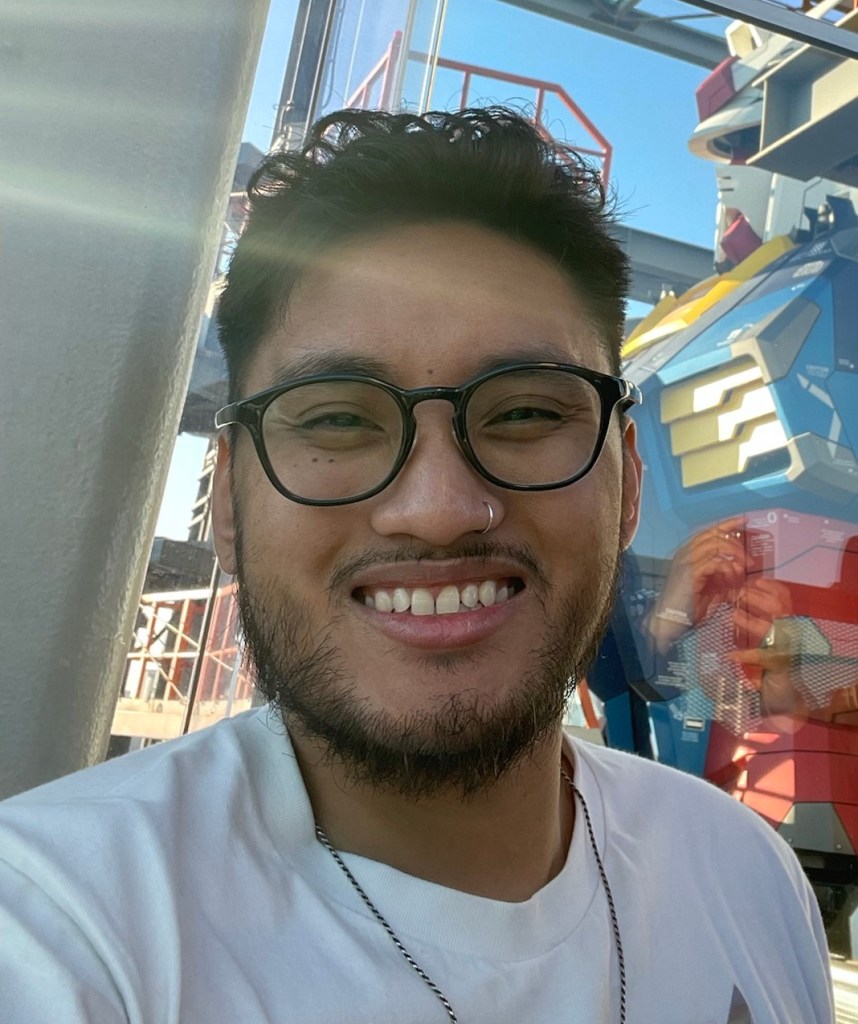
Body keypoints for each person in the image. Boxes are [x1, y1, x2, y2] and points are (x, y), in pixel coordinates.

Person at [0, 108, 834, 1024]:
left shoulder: (747, 875)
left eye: (524, 414)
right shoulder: (57, 927)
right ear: (228, 502)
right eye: (336, 419)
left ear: (628, 483)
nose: (438, 510)